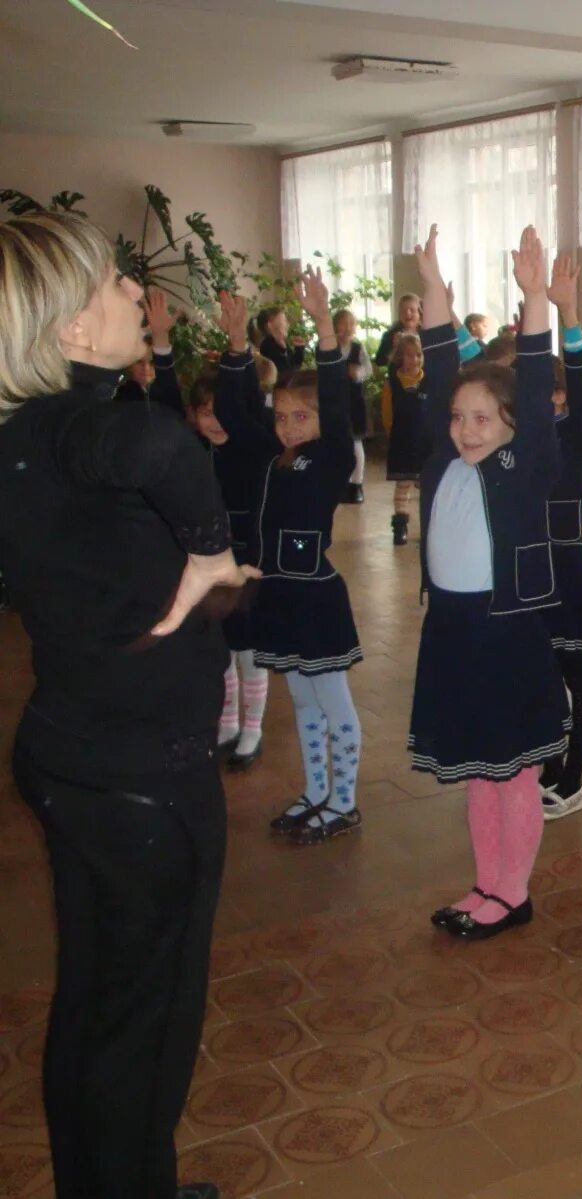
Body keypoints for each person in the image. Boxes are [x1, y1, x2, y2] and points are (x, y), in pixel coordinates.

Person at [0, 209, 256, 1199]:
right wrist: (206, 545)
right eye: (113, 284)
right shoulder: (79, 423)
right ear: (68, 329)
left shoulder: (26, 430)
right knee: (145, 1025)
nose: (135, 297)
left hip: (78, 753)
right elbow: (164, 453)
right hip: (140, 778)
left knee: (100, 1011)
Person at [410, 224, 570, 940]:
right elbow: (441, 372)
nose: (465, 428)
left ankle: (514, 889)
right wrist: (435, 294)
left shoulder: (519, 466)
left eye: (482, 418)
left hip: (505, 634)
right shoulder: (445, 463)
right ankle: (485, 883)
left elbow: (535, 393)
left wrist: (536, 299)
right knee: (480, 769)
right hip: (451, 632)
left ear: (510, 425)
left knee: (514, 772)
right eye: (457, 417)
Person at [214, 277, 365, 845]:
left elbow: (333, 397)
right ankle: (315, 790)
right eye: (281, 416)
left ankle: (344, 802)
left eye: (299, 418)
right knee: (302, 701)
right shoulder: (269, 459)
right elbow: (233, 406)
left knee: (332, 701)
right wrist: (236, 343)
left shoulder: (326, 461)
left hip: (315, 598)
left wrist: (324, 325)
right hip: (278, 595)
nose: (286, 426)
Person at [147, 293, 273, 774]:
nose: (213, 420)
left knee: (247, 650)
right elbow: (162, 408)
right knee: (219, 648)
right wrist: (160, 344)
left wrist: (238, 342)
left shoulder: (251, 447)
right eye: (204, 412)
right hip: (206, 567)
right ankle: (226, 723)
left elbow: (238, 409)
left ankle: (253, 728)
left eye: (220, 411)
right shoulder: (193, 451)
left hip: (247, 563)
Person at [540, 253, 582, 821]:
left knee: (574, 672)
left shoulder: (576, 434)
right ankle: (548, 764)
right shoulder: (517, 446)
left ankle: (575, 777)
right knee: (538, 675)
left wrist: (569, 314)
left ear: (558, 398)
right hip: (526, 576)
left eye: (543, 393)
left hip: (566, 575)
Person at [381, 331, 428, 545]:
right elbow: (387, 413)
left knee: (427, 485)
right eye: (410, 355)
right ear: (401, 357)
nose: (415, 360)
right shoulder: (393, 382)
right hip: (403, 439)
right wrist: (391, 431)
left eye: (418, 355)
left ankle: (429, 526)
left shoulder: (428, 381)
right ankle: (400, 525)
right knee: (403, 485)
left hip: (424, 441)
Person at [333, 307, 371, 504]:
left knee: (356, 442)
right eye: (343, 323)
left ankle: (357, 483)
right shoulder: (329, 347)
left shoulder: (358, 348)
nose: (347, 328)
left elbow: (368, 370)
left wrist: (357, 373)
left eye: (351, 323)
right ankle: (340, 483)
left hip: (354, 402)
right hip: (335, 401)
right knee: (338, 442)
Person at [256, 305, 306, 383]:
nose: (287, 324)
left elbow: (295, 367)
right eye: (284, 321)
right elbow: (284, 373)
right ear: (270, 325)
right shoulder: (267, 345)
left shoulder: (284, 345)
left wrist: (299, 349)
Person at [374, 291, 423, 368]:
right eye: (403, 311)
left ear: (419, 314)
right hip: (397, 378)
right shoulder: (390, 335)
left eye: (412, 310)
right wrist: (394, 348)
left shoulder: (427, 334)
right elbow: (379, 361)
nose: (408, 313)